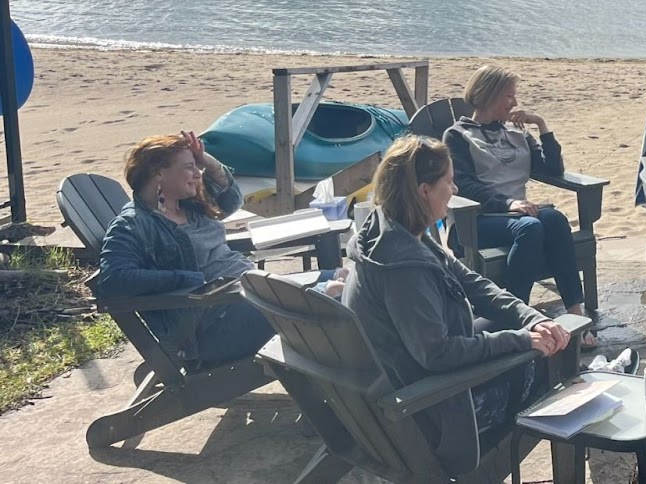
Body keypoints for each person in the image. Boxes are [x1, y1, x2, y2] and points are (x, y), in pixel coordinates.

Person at [344, 136, 572, 476]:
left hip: (402, 386)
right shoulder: (404, 269)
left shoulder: (393, 228)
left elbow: (473, 284)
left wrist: (533, 319)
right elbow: (437, 354)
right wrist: (523, 341)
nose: (454, 190)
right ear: (424, 190)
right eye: (448, 182)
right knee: (551, 368)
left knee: (533, 334)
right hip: (428, 413)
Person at [97, 132, 344, 365]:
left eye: (197, 166)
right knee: (334, 294)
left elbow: (231, 198)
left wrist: (206, 159)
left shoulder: (191, 208)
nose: (197, 173)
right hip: (213, 323)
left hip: (249, 295)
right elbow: (113, 280)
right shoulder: (133, 224)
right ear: (158, 172)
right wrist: (192, 280)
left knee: (345, 279)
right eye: (188, 166)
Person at [443, 64, 593, 346]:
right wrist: (508, 203)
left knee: (555, 220)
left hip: (519, 216)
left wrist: (542, 126)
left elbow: (551, 169)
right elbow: (463, 184)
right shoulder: (457, 135)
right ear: (487, 95)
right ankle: (516, 317)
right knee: (531, 227)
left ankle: (576, 314)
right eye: (509, 96)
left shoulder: (517, 132)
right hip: (476, 220)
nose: (515, 103)